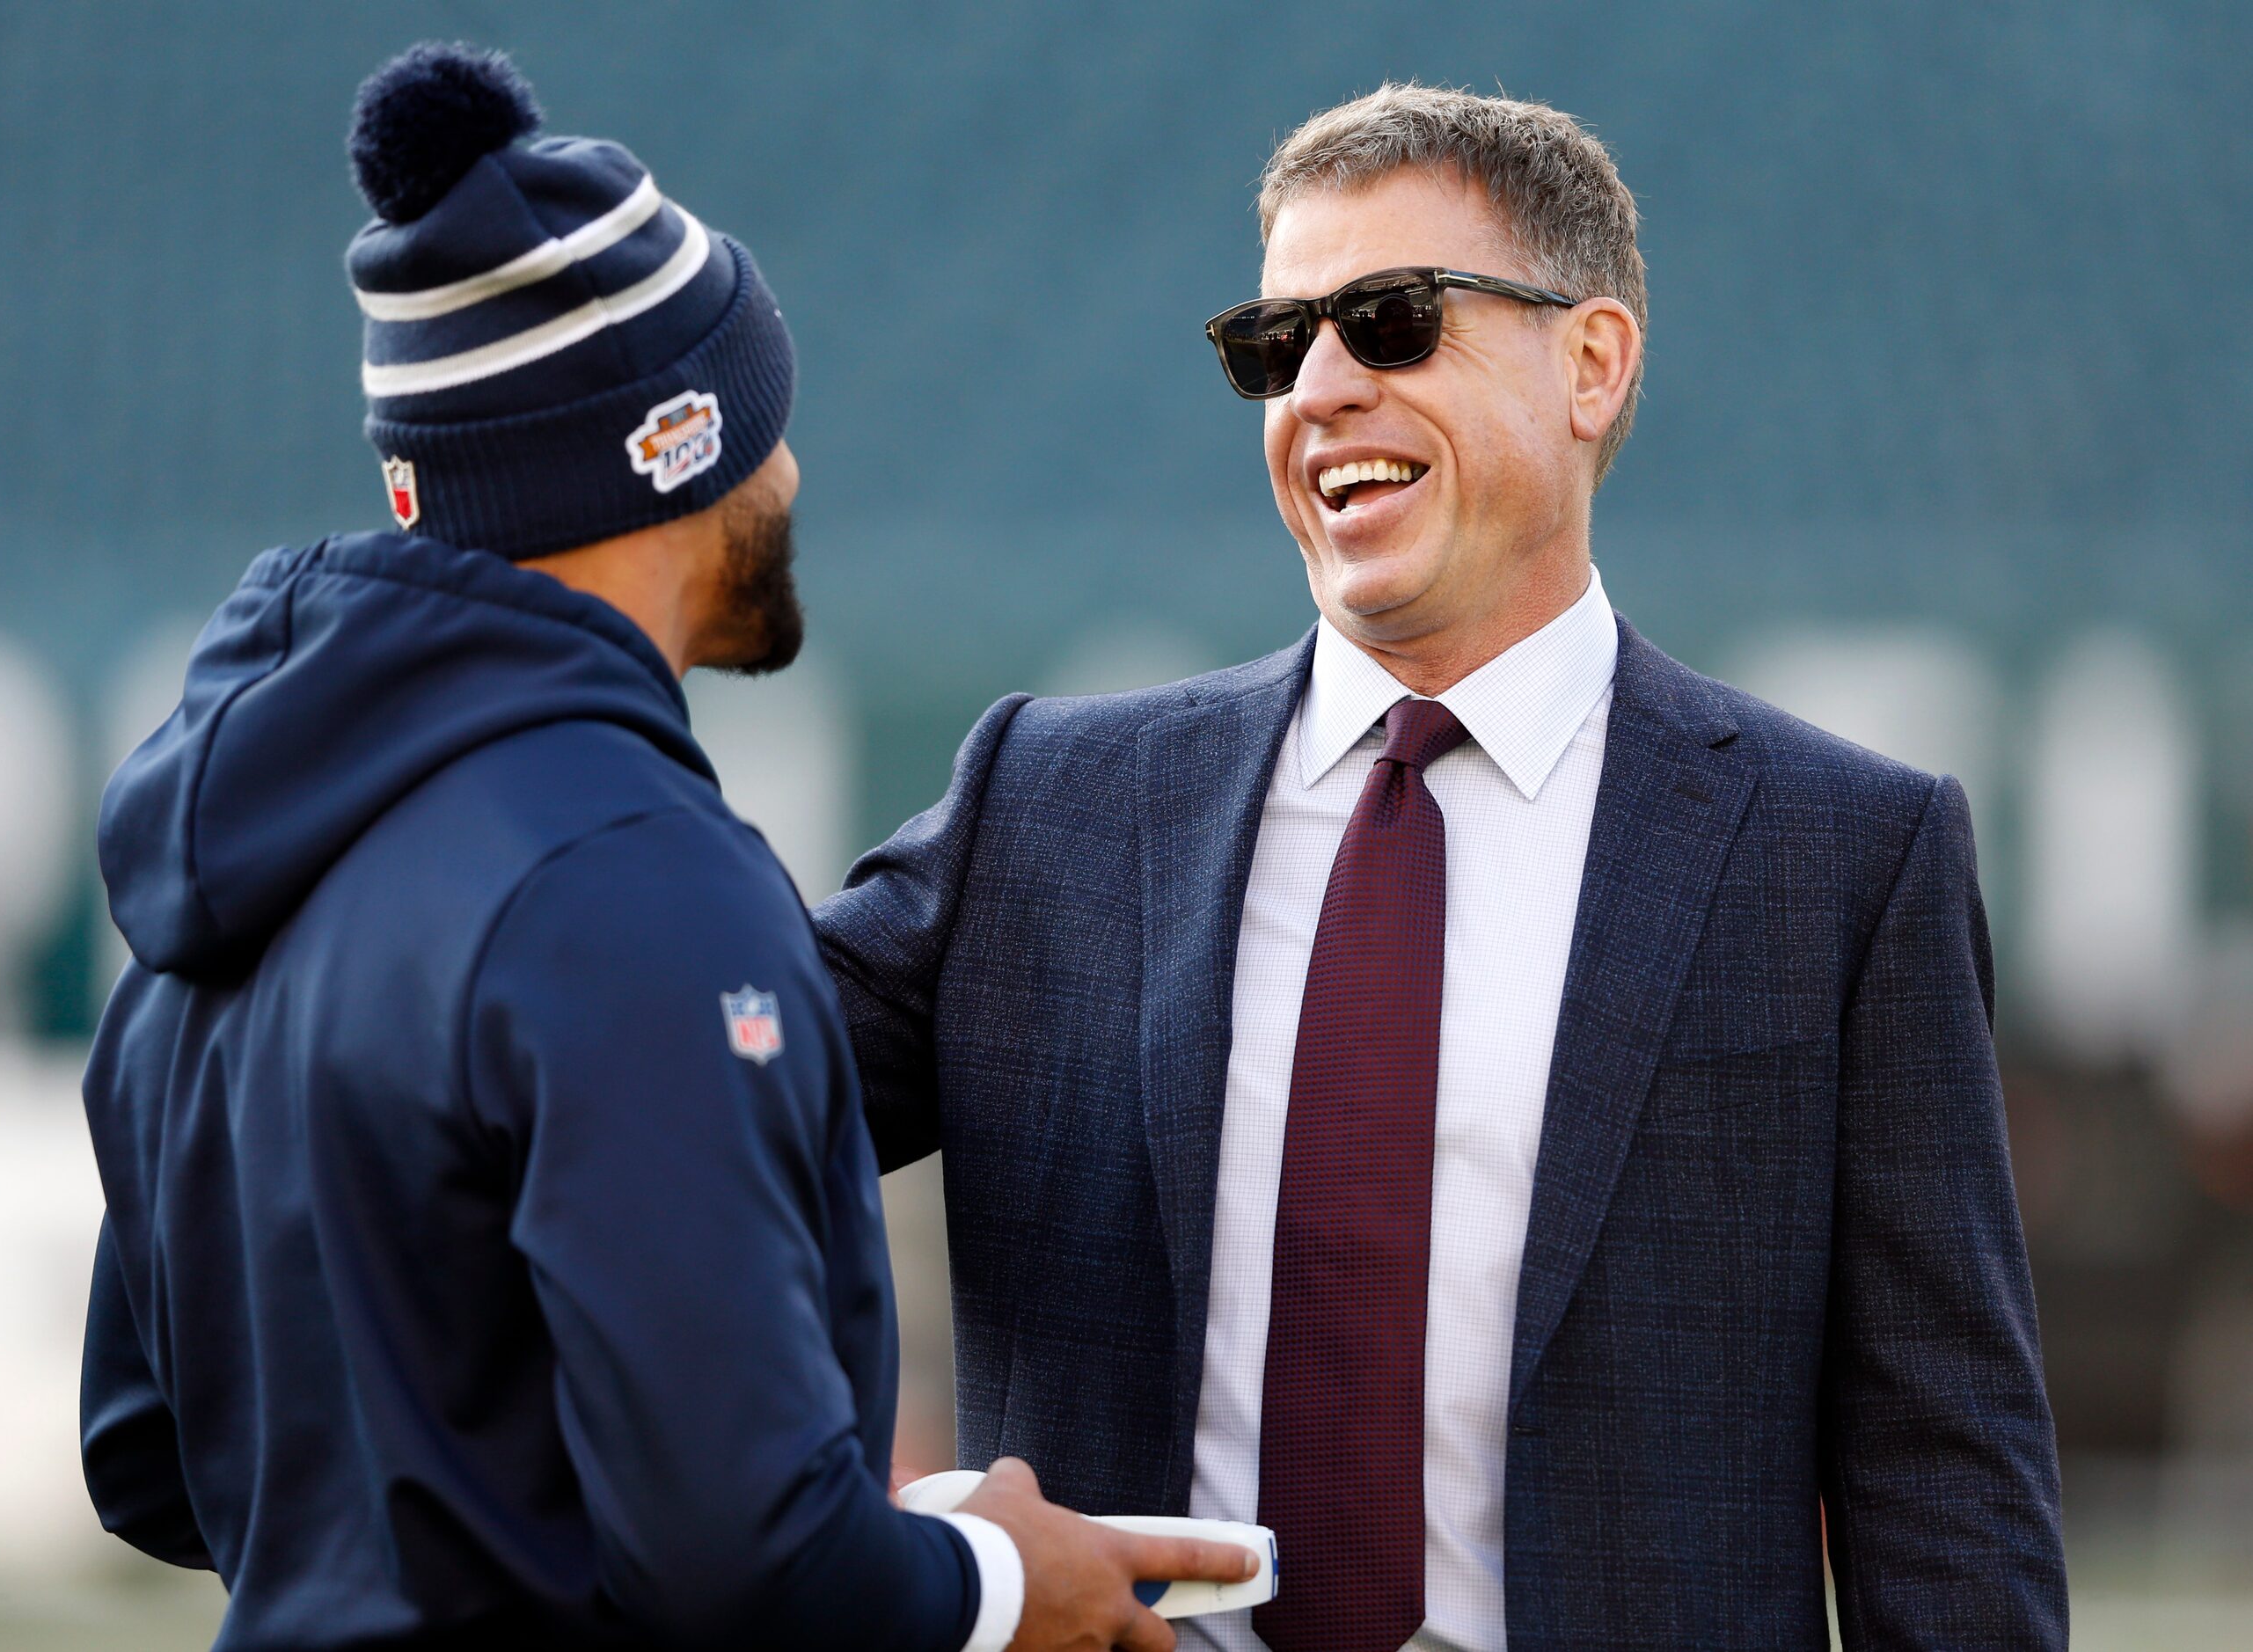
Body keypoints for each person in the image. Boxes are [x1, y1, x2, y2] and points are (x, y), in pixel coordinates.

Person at [817, 82, 2067, 1650]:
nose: (1319, 388)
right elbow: (673, 1090)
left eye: (1392, 321)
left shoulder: (1845, 855)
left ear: (1591, 364)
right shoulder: (1046, 803)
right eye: (1274, 346)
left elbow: (1944, 1483)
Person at [80, 43, 1251, 1652]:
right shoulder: (631, 880)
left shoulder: (231, 858)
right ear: (678, 445)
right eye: (766, 420)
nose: (790, 471)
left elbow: (151, 1459)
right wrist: (991, 1577)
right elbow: (742, 1555)